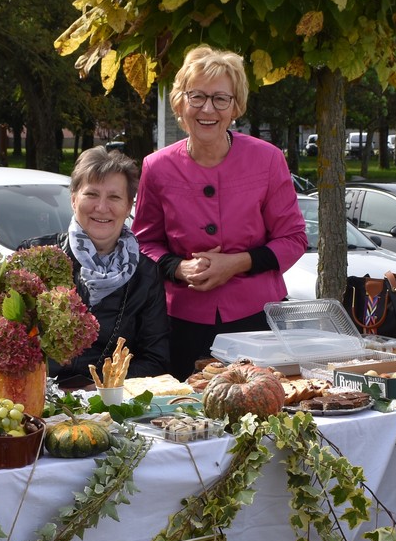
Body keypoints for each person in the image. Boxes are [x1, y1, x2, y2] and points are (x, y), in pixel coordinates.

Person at [130, 46, 308, 379]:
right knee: (182, 407)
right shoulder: (156, 167)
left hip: (256, 319)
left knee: (258, 405)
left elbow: (294, 238)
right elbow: (143, 244)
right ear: (180, 103)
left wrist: (237, 263)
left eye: (220, 99)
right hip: (180, 322)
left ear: (235, 106)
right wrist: (178, 268)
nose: (207, 109)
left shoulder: (268, 159)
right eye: (196, 96)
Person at [19, 147, 169, 388]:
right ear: (73, 199)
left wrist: (102, 386)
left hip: (108, 402)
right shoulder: (34, 256)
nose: (101, 207)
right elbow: (8, 341)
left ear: (129, 206)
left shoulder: (146, 274)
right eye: (91, 194)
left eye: (114, 197)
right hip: (37, 399)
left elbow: (155, 359)